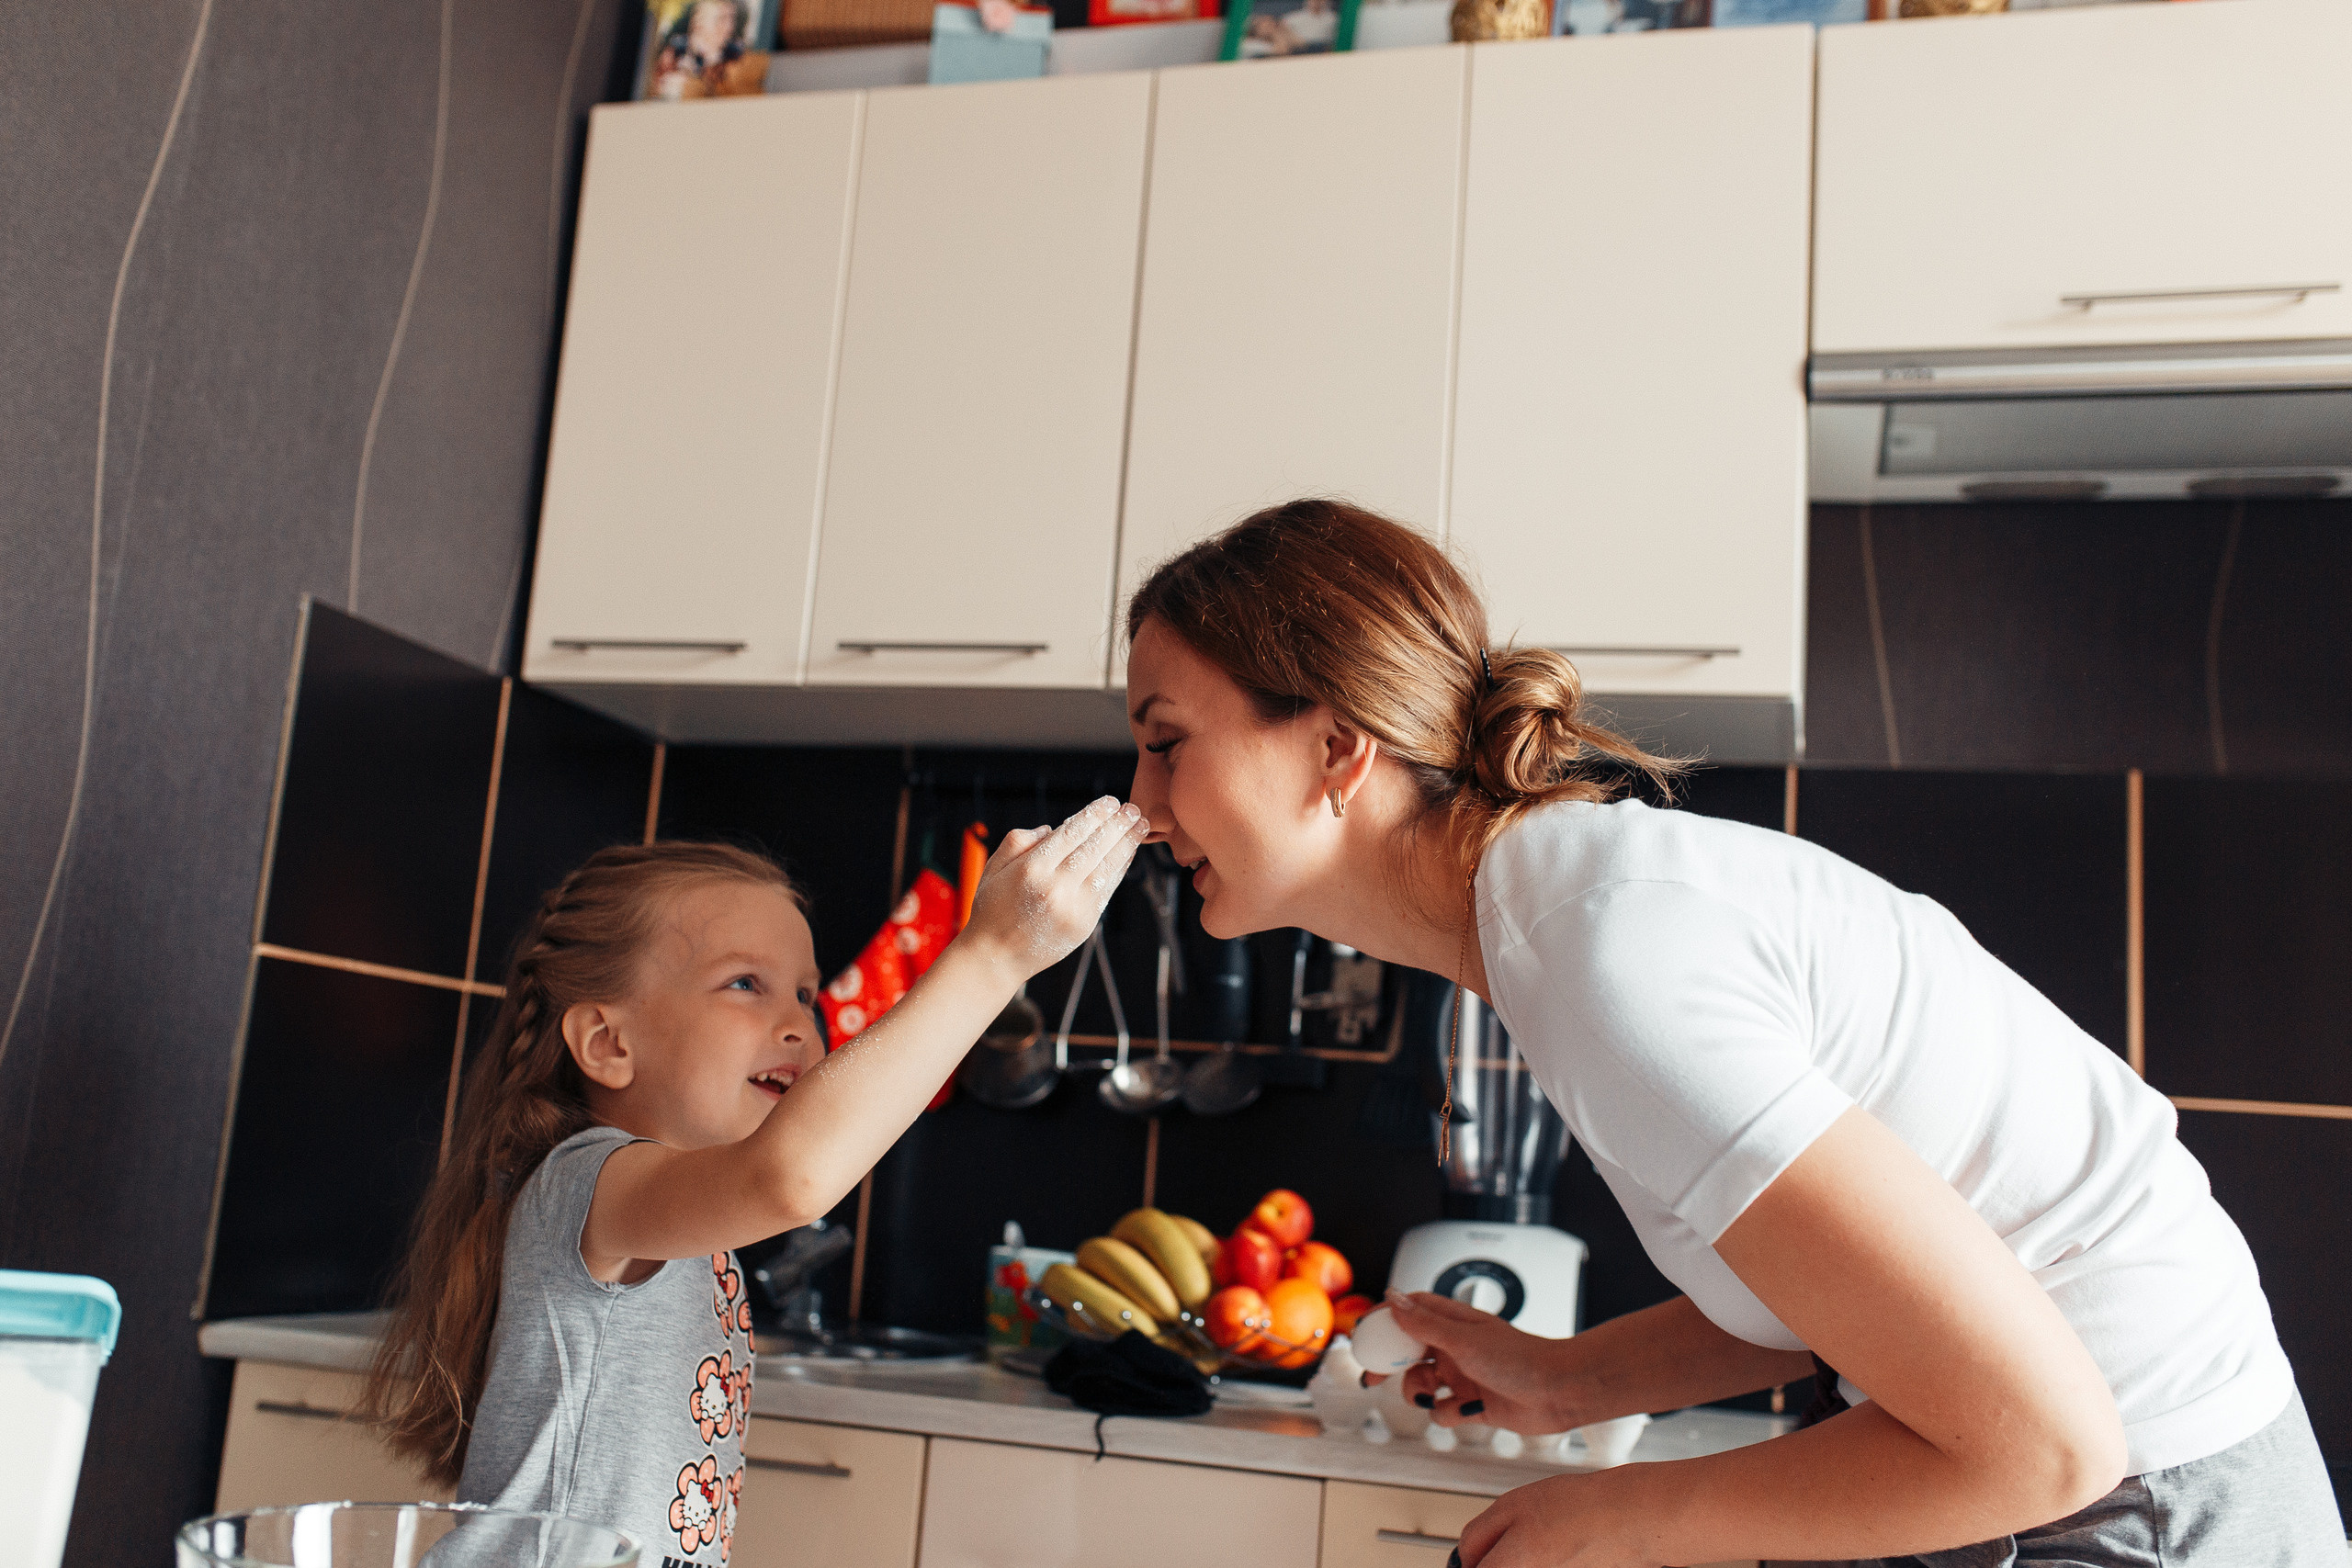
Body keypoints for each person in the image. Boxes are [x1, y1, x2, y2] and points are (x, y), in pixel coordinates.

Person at [1121, 498, 2344, 1567]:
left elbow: (2048, 1441)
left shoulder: (1604, 955)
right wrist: (1567, 1379)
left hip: (2143, 1504)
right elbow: (1855, 1288)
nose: (1138, 801)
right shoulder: (1558, 918)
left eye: (1166, 739)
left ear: (1336, 745)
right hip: (2119, 1480)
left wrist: (1617, 1518)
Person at [363, 813, 1145, 1562]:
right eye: (746, 984)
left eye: (805, 994)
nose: (801, 1025)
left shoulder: (673, 1216)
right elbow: (794, 1173)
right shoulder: (590, 1180)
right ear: (608, 1043)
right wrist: (994, 954)